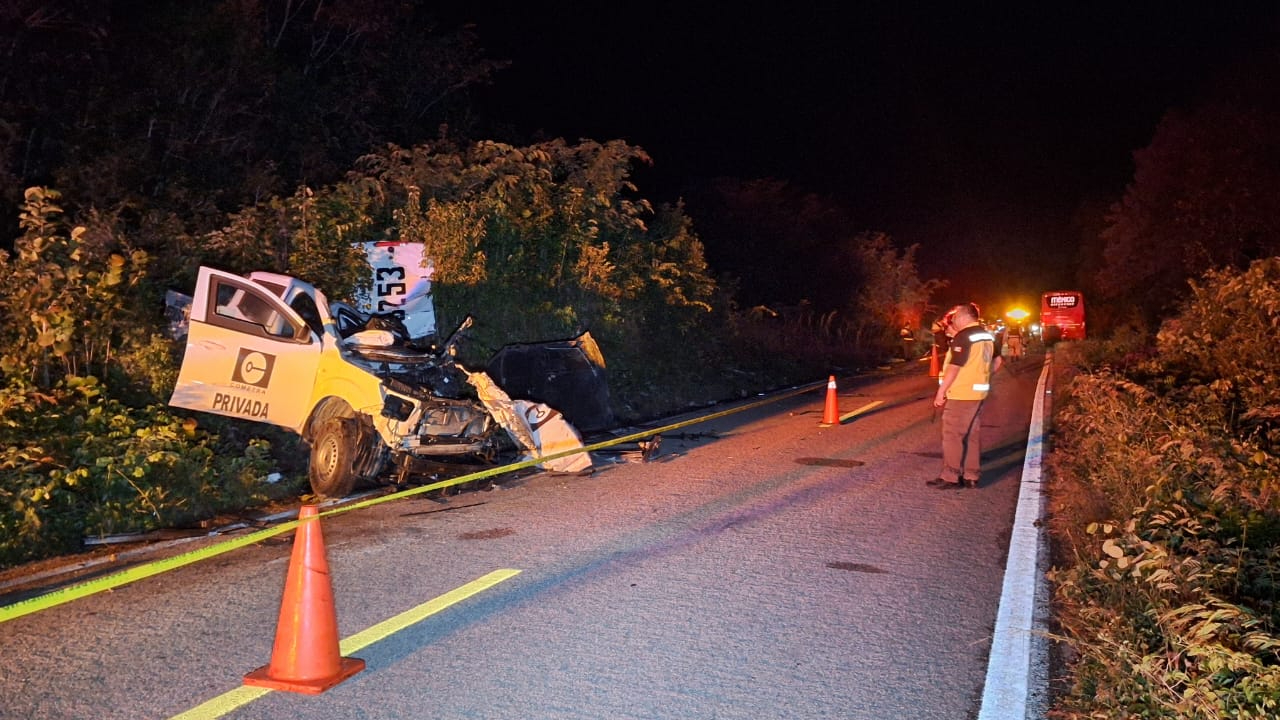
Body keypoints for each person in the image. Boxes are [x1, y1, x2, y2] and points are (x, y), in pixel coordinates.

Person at [928, 302, 1001, 490]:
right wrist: (982, 375)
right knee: (972, 435)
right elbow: (998, 362)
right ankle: (971, 476)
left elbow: (954, 368)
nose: (953, 321)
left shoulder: (964, 336)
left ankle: (951, 476)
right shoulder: (987, 335)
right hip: (979, 392)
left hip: (962, 394)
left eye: (955, 318)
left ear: (963, 317)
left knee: (952, 434)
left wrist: (941, 391)